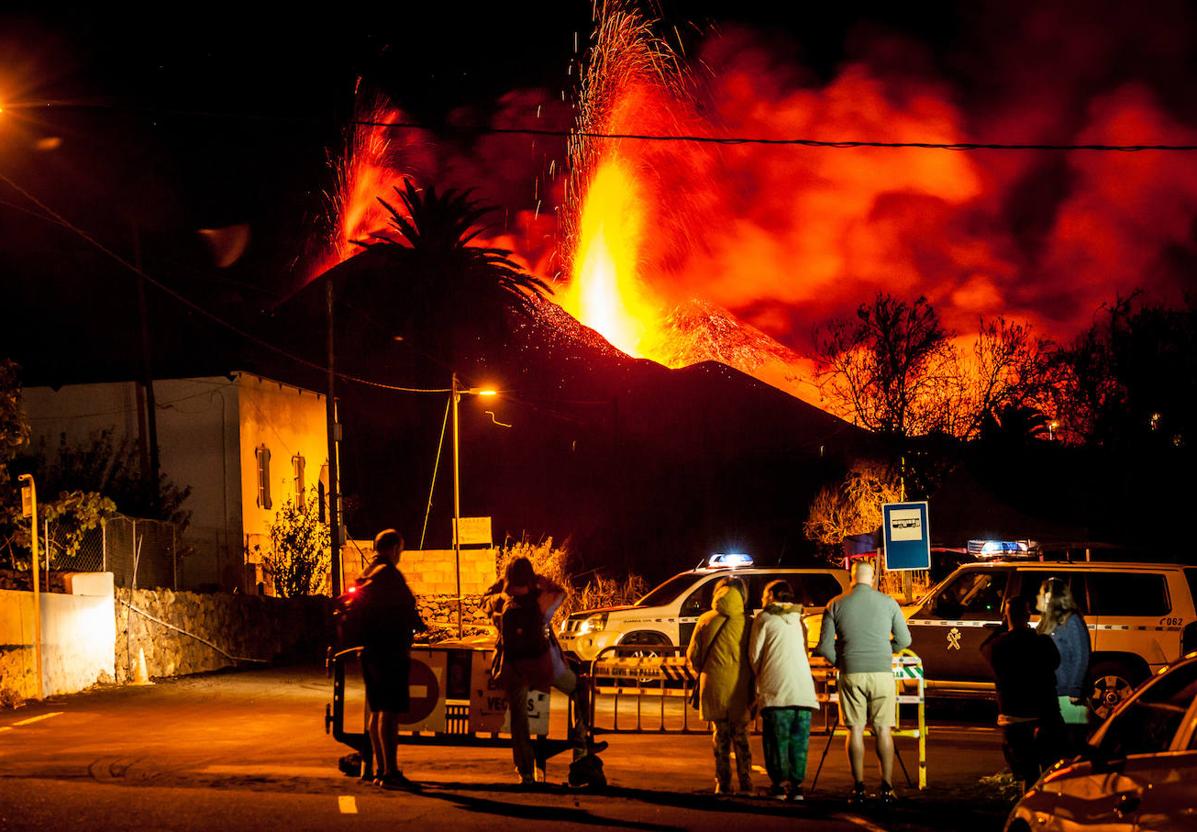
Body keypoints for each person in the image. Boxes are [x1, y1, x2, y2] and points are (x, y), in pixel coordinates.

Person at [815, 561, 911, 805]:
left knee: (855, 729)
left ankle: (858, 787)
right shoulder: (888, 603)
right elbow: (904, 639)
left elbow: (825, 647)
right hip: (881, 673)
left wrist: (843, 661)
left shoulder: (835, 604)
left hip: (851, 672)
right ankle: (887, 788)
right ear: (873, 577)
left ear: (852, 577)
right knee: (883, 730)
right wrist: (886, 651)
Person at [497, 557, 598, 786]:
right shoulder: (541, 602)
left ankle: (526, 773)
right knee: (579, 688)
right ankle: (581, 750)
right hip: (545, 668)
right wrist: (541, 580)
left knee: (519, 722)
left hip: (517, 671)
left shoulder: (507, 607)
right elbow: (562, 593)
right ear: (530, 575)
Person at [357, 529, 425, 790]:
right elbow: (408, 609)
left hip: (369, 651)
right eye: (401, 549)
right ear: (394, 547)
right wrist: (421, 627)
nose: (401, 555)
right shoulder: (390, 575)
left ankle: (379, 768)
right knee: (390, 712)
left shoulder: (368, 572)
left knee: (376, 711)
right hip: (390, 651)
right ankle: (390, 771)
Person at [748, 579, 819, 801]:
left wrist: (761, 675)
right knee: (799, 742)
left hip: (776, 691)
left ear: (770, 597)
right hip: (803, 691)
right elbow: (805, 651)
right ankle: (797, 787)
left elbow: (754, 656)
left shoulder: (764, 619)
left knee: (776, 742)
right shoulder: (800, 621)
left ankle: (778, 785)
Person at [981, 596, 1062, 790]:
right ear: (1027, 615)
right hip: (1042, 715)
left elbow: (984, 647)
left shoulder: (998, 647)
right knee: (1049, 770)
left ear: (1006, 616)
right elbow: (1055, 662)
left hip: (1013, 718)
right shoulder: (1041, 643)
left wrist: (1004, 626)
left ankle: (1026, 807)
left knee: (1027, 771)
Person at [686, 576, 754, 795]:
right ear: (741, 594)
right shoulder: (748, 621)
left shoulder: (705, 620)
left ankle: (722, 783)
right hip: (740, 689)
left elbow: (693, 656)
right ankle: (746, 783)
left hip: (713, 685)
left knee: (720, 737)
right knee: (741, 737)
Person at [1036, 578, 1091, 753]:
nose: (1038, 597)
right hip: (1051, 694)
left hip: (1067, 696)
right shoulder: (1046, 622)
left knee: (1071, 746)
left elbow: (1081, 655)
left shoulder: (1071, 621)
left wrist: (1075, 688)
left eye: (1042, 593)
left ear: (1051, 596)